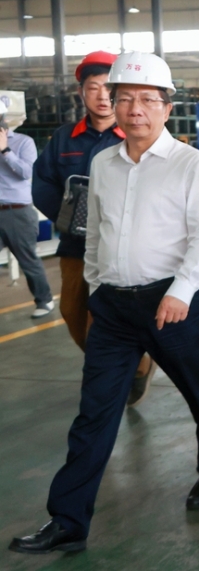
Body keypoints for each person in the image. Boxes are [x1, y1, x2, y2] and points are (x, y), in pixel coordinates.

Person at [10, 51, 199, 555]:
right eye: (125, 98)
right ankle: (68, 520)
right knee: (94, 412)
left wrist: (181, 292)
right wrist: (95, 286)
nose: (135, 109)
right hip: (112, 307)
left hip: (171, 305)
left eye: (147, 100)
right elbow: (94, 232)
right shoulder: (102, 163)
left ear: (166, 107)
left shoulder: (190, 164)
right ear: (112, 103)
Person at [33, 52, 159, 404]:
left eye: (108, 88)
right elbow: (42, 182)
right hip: (76, 244)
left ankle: (131, 370)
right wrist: (70, 217)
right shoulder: (64, 138)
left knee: (117, 315)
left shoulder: (136, 133)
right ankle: (126, 364)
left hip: (124, 246)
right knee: (73, 311)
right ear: (81, 93)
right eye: (93, 88)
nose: (102, 96)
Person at [0, 101, 55, 319]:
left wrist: (5, 150)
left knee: (28, 261)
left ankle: (44, 300)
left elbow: (26, 173)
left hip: (17, 212)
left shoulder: (24, 142)